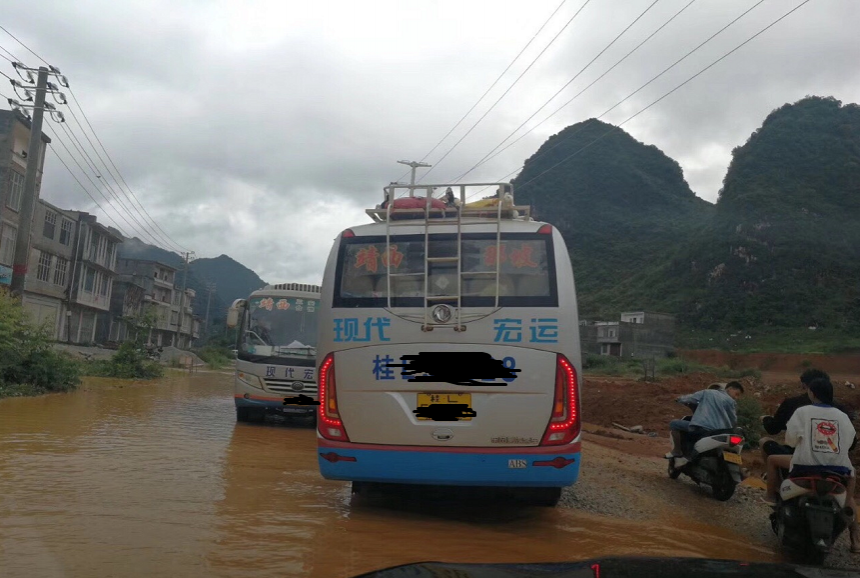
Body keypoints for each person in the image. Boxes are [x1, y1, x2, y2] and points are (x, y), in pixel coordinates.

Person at [763, 378, 860, 552]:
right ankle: (855, 539)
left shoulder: (802, 411)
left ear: (812, 393)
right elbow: (851, 443)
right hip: (838, 473)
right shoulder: (843, 417)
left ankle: (770, 497)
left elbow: (791, 441)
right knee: (851, 483)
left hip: (805, 469)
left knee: (772, 460)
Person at [761, 368, 855, 462]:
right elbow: (852, 443)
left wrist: (766, 419)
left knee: (765, 443)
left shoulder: (795, 407)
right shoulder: (841, 412)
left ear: (808, 388)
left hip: (802, 460)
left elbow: (779, 433)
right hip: (834, 461)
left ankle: (774, 475)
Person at [666, 381, 745, 464]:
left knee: (674, 424)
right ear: (730, 389)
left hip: (701, 429)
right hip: (720, 433)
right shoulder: (731, 402)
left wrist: (679, 399)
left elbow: (691, 398)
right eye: (736, 394)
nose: (736, 397)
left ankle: (677, 451)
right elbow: (733, 420)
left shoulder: (707, 393)